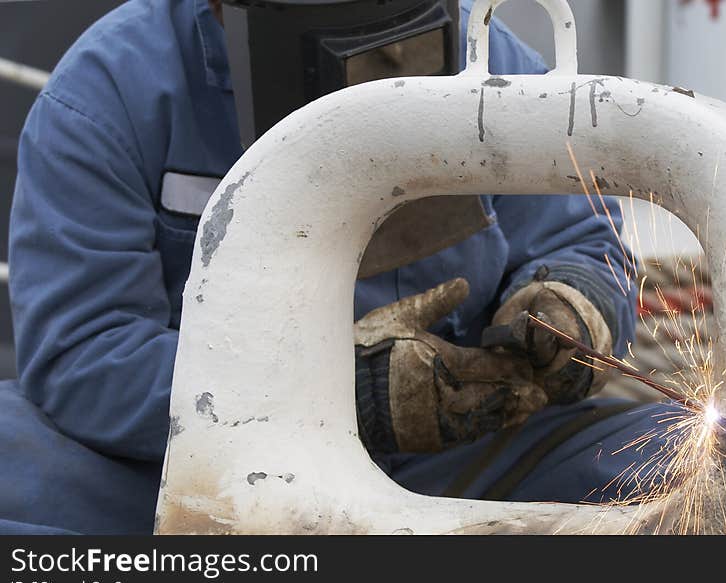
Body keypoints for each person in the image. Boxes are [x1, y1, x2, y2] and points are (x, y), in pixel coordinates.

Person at [0, 0, 676, 534]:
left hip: (450, 458)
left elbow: (587, 241)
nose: (379, 58)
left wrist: (574, 301)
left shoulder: (489, 58)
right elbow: (85, 352)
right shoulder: (110, 92)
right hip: (210, 468)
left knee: (696, 471)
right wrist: (339, 392)